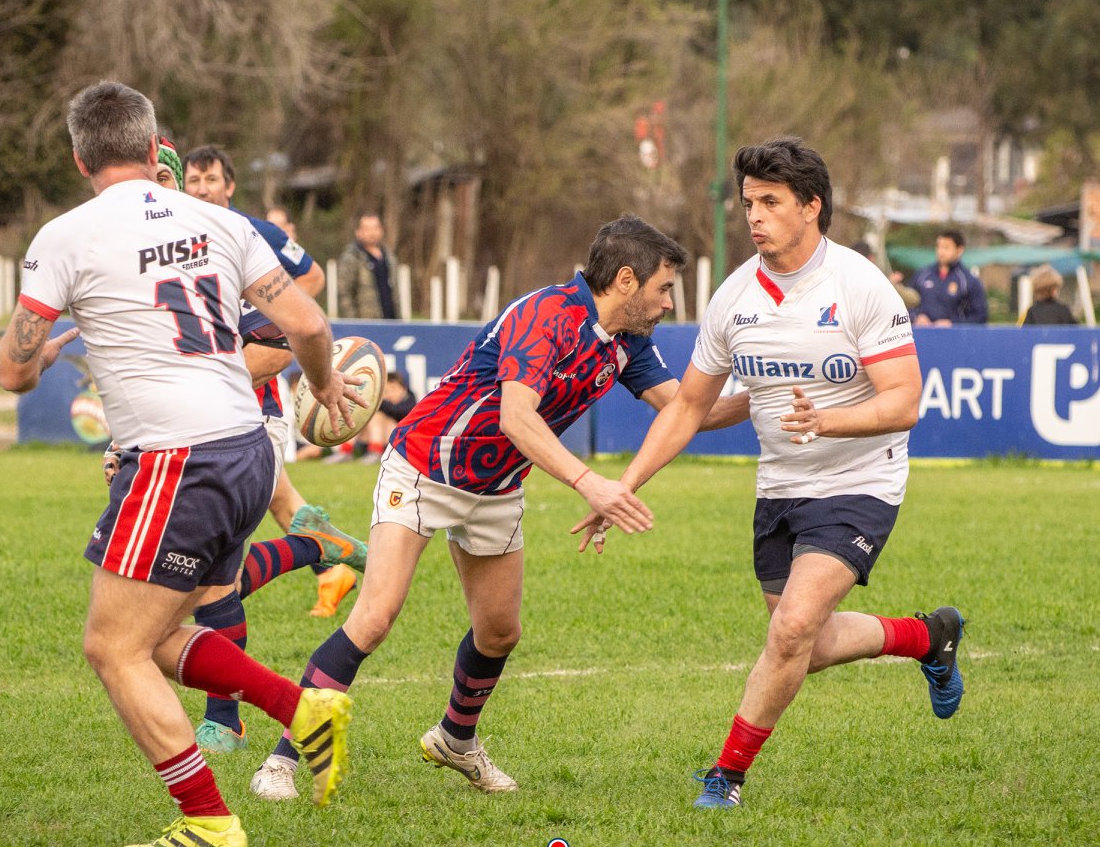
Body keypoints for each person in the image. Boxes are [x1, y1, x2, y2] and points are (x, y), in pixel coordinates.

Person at [244, 215, 746, 802]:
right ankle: (281, 760)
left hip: (497, 486)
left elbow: (688, 410)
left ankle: (456, 739)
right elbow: (516, 416)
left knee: (500, 632)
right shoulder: (546, 315)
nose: (668, 304)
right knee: (374, 618)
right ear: (627, 280)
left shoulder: (628, 342)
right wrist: (590, 483)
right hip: (424, 466)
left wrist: (764, 393)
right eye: (664, 288)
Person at [0, 81, 359, 847]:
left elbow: (11, 373)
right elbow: (307, 323)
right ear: (153, 144)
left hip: (176, 460)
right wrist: (324, 384)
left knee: (111, 646)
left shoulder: (66, 234)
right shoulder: (221, 221)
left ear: (79, 157)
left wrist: (45, 352)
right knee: (158, 634)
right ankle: (301, 708)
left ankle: (209, 819)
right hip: (248, 451)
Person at [576, 137, 966, 811]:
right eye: (748, 202)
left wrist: (828, 422)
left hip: (859, 483)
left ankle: (725, 776)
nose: (753, 215)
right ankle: (929, 636)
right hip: (779, 489)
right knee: (806, 641)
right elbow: (688, 407)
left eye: (770, 202)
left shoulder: (859, 285)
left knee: (789, 631)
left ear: (811, 206)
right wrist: (622, 486)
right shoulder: (734, 298)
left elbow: (904, 401)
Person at [180, 143, 367, 627]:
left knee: (207, 577)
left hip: (249, 406)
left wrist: (266, 318)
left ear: (230, 185)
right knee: (277, 505)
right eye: (193, 180)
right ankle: (328, 562)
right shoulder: (176, 240)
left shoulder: (255, 232)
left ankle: (318, 554)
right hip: (201, 410)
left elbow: (312, 279)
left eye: (211, 179)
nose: (201, 189)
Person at [910, 229, 987, 325]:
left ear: (959, 250)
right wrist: (916, 317)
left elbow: (980, 316)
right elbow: (906, 305)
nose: (941, 252)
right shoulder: (922, 275)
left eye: (946, 247)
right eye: (938, 246)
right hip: (923, 332)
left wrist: (952, 323)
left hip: (954, 334)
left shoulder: (969, 280)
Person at [338, 210, 399, 320]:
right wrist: (352, 322)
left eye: (375, 228)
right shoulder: (352, 258)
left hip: (391, 321)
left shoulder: (389, 256)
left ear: (381, 230)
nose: (372, 233)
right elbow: (344, 293)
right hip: (366, 323)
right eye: (367, 229)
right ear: (358, 232)